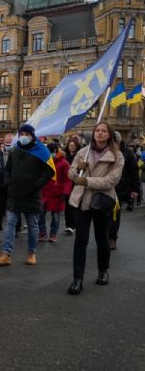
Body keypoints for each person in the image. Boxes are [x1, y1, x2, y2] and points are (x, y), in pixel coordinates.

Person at [67, 122, 124, 295]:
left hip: (102, 201)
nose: (99, 133)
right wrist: (77, 169)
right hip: (81, 201)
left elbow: (111, 181)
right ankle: (78, 278)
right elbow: (71, 174)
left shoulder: (117, 156)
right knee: (80, 241)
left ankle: (103, 270)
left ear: (109, 135)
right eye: (97, 130)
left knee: (102, 239)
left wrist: (87, 181)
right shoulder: (82, 153)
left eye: (103, 131)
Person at [0, 124, 55, 266]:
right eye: (21, 134)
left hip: (32, 195)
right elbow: (7, 169)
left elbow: (49, 172)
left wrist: (36, 185)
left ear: (32, 135)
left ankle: (31, 253)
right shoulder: (15, 150)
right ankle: (6, 254)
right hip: (14, 193)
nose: (23, 137)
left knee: (33, 225)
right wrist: (9, 181)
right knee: (10, 224)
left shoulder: (42, 151)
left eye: (26, 134)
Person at [107, 132, 139, 249]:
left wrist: (135, 189)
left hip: (120, 189)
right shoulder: (105, 152)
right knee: (105, 214)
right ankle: (105, 235)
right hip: (105, 187)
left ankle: (112, 238)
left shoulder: (127, 153)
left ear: (118, 141)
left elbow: (134, 172)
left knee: (115, 214)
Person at [38, 143, 72, 243]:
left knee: (56, 216)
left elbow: (67, 180)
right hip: (44, 192)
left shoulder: (64, 163)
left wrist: (66, 192)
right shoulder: (44, 161)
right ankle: (42, 233)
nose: (52, 153)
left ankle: (53, 234)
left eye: (54, 151)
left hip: (58, 194)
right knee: (40, 214)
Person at [63, 138, 81, 234]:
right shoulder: (65, 157)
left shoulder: (80, 157)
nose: (72, 147)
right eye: (70, 145)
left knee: (76, 204)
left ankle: (76, 224)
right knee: (68, 205)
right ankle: (69, 225)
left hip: (76, 183)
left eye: (73, 145)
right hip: (67, 183)